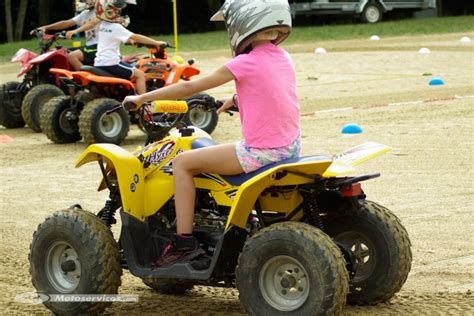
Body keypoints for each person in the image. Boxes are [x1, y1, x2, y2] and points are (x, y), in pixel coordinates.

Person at [123, 0, 301, 267]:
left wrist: (142, 98)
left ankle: (183, 243)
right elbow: (273, 90)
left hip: (261, 153)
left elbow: (188, 88)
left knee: (183, 163)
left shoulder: (244, 62)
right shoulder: (283, 57)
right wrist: (235, 98)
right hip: (290, 147)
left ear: (242, 24)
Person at [67, 0, 165, 94]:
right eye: (115, 9)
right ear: (107, 11)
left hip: (100, 62)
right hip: (111, 63)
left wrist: (132, 42)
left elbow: (126, 38)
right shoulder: (115, 27)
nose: (118, 11)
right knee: (139, 74)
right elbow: (136, 37)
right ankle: (143, 103)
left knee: (133, 67)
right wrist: (156, 42)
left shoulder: (103, 24)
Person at [32, 0, 99, 70]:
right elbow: (67, 23)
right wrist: (46, 27)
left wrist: (75, 31)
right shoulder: (85, 14)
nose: (82, 2)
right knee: (56, 53)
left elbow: (91, 24)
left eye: (84, 0)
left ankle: (85, 80)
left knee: (73, 56)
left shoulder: (101, 13)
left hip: (98, 46)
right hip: (88, 46)